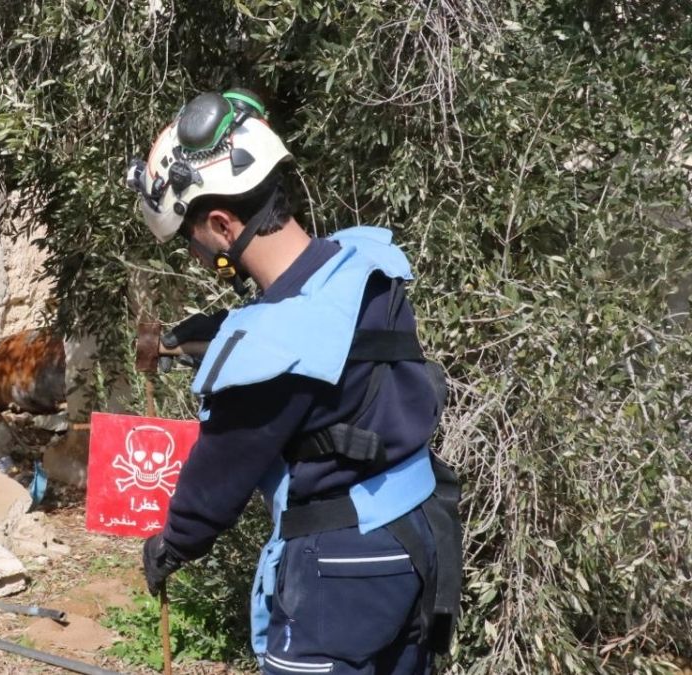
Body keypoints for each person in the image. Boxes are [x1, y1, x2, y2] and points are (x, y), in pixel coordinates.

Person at [124, 90, 462, 675]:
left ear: (222, 225)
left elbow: (218, 481)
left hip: (344, 571)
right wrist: (221, 333)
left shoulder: (269, 356)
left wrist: (171, 545)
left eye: (189, 236)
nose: (193, 253)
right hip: (420, 534)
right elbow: (331, 347)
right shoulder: (361, 267)